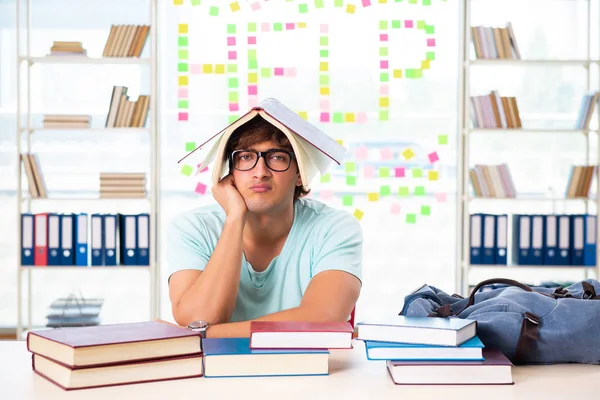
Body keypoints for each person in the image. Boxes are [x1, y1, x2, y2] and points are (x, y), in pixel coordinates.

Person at [167, 116, 363, 338]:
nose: (260, 172)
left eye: (278, 157)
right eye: (246, 157)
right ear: (231, 174)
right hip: (214, 367)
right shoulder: (192, 227)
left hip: (308, 366)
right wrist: (234, 219)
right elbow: (197, 316)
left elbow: (325, 318)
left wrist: (211, 333)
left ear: (300, 174)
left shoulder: (335, 227)